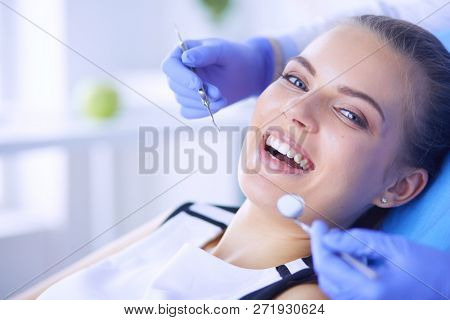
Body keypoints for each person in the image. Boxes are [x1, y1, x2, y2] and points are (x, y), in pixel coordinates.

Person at [39, 14, 450, 299]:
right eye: (295, 79)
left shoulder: (304, 298)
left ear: (398, 187)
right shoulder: (188, 216)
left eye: (350, 114)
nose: (297, 111)